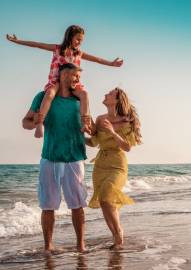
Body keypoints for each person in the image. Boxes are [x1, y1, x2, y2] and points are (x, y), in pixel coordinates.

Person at [7, 24, 123, 138]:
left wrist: (111, 64)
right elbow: (37, 45)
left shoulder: (79, 53)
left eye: (81, 40)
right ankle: (39, 123)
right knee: (50, 93)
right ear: (69, 37)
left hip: (73, 84)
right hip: (57, 82)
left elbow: (97, 59)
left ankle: (86, 124)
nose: (79, 42)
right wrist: (18, 41)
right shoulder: (57, 49)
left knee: (84, 94)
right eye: (78, 39)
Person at [22, 63, 89, 253]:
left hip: (75, 157)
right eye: (72, 75)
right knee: (48, 205)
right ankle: (48, 245)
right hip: (49, 157)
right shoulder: (43, 97)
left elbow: (88, 125)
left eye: (77, 76)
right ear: (62, 75)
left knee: (77, 204)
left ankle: (80, 244)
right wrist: (35, 122)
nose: (75, 79)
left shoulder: (80, 100)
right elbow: (25, 122)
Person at [86, 87, 142, 248]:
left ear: (117, 100)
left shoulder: (127, 120)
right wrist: (77, 135)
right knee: (105, 202)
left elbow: (127, 147)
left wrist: (112, 131)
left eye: (110, 94)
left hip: (118, 165)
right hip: (100, 165)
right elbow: (94, 142)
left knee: (107, 194)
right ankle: (116, 236)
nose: (105, 94)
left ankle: (119, 235)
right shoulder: (99, 118)